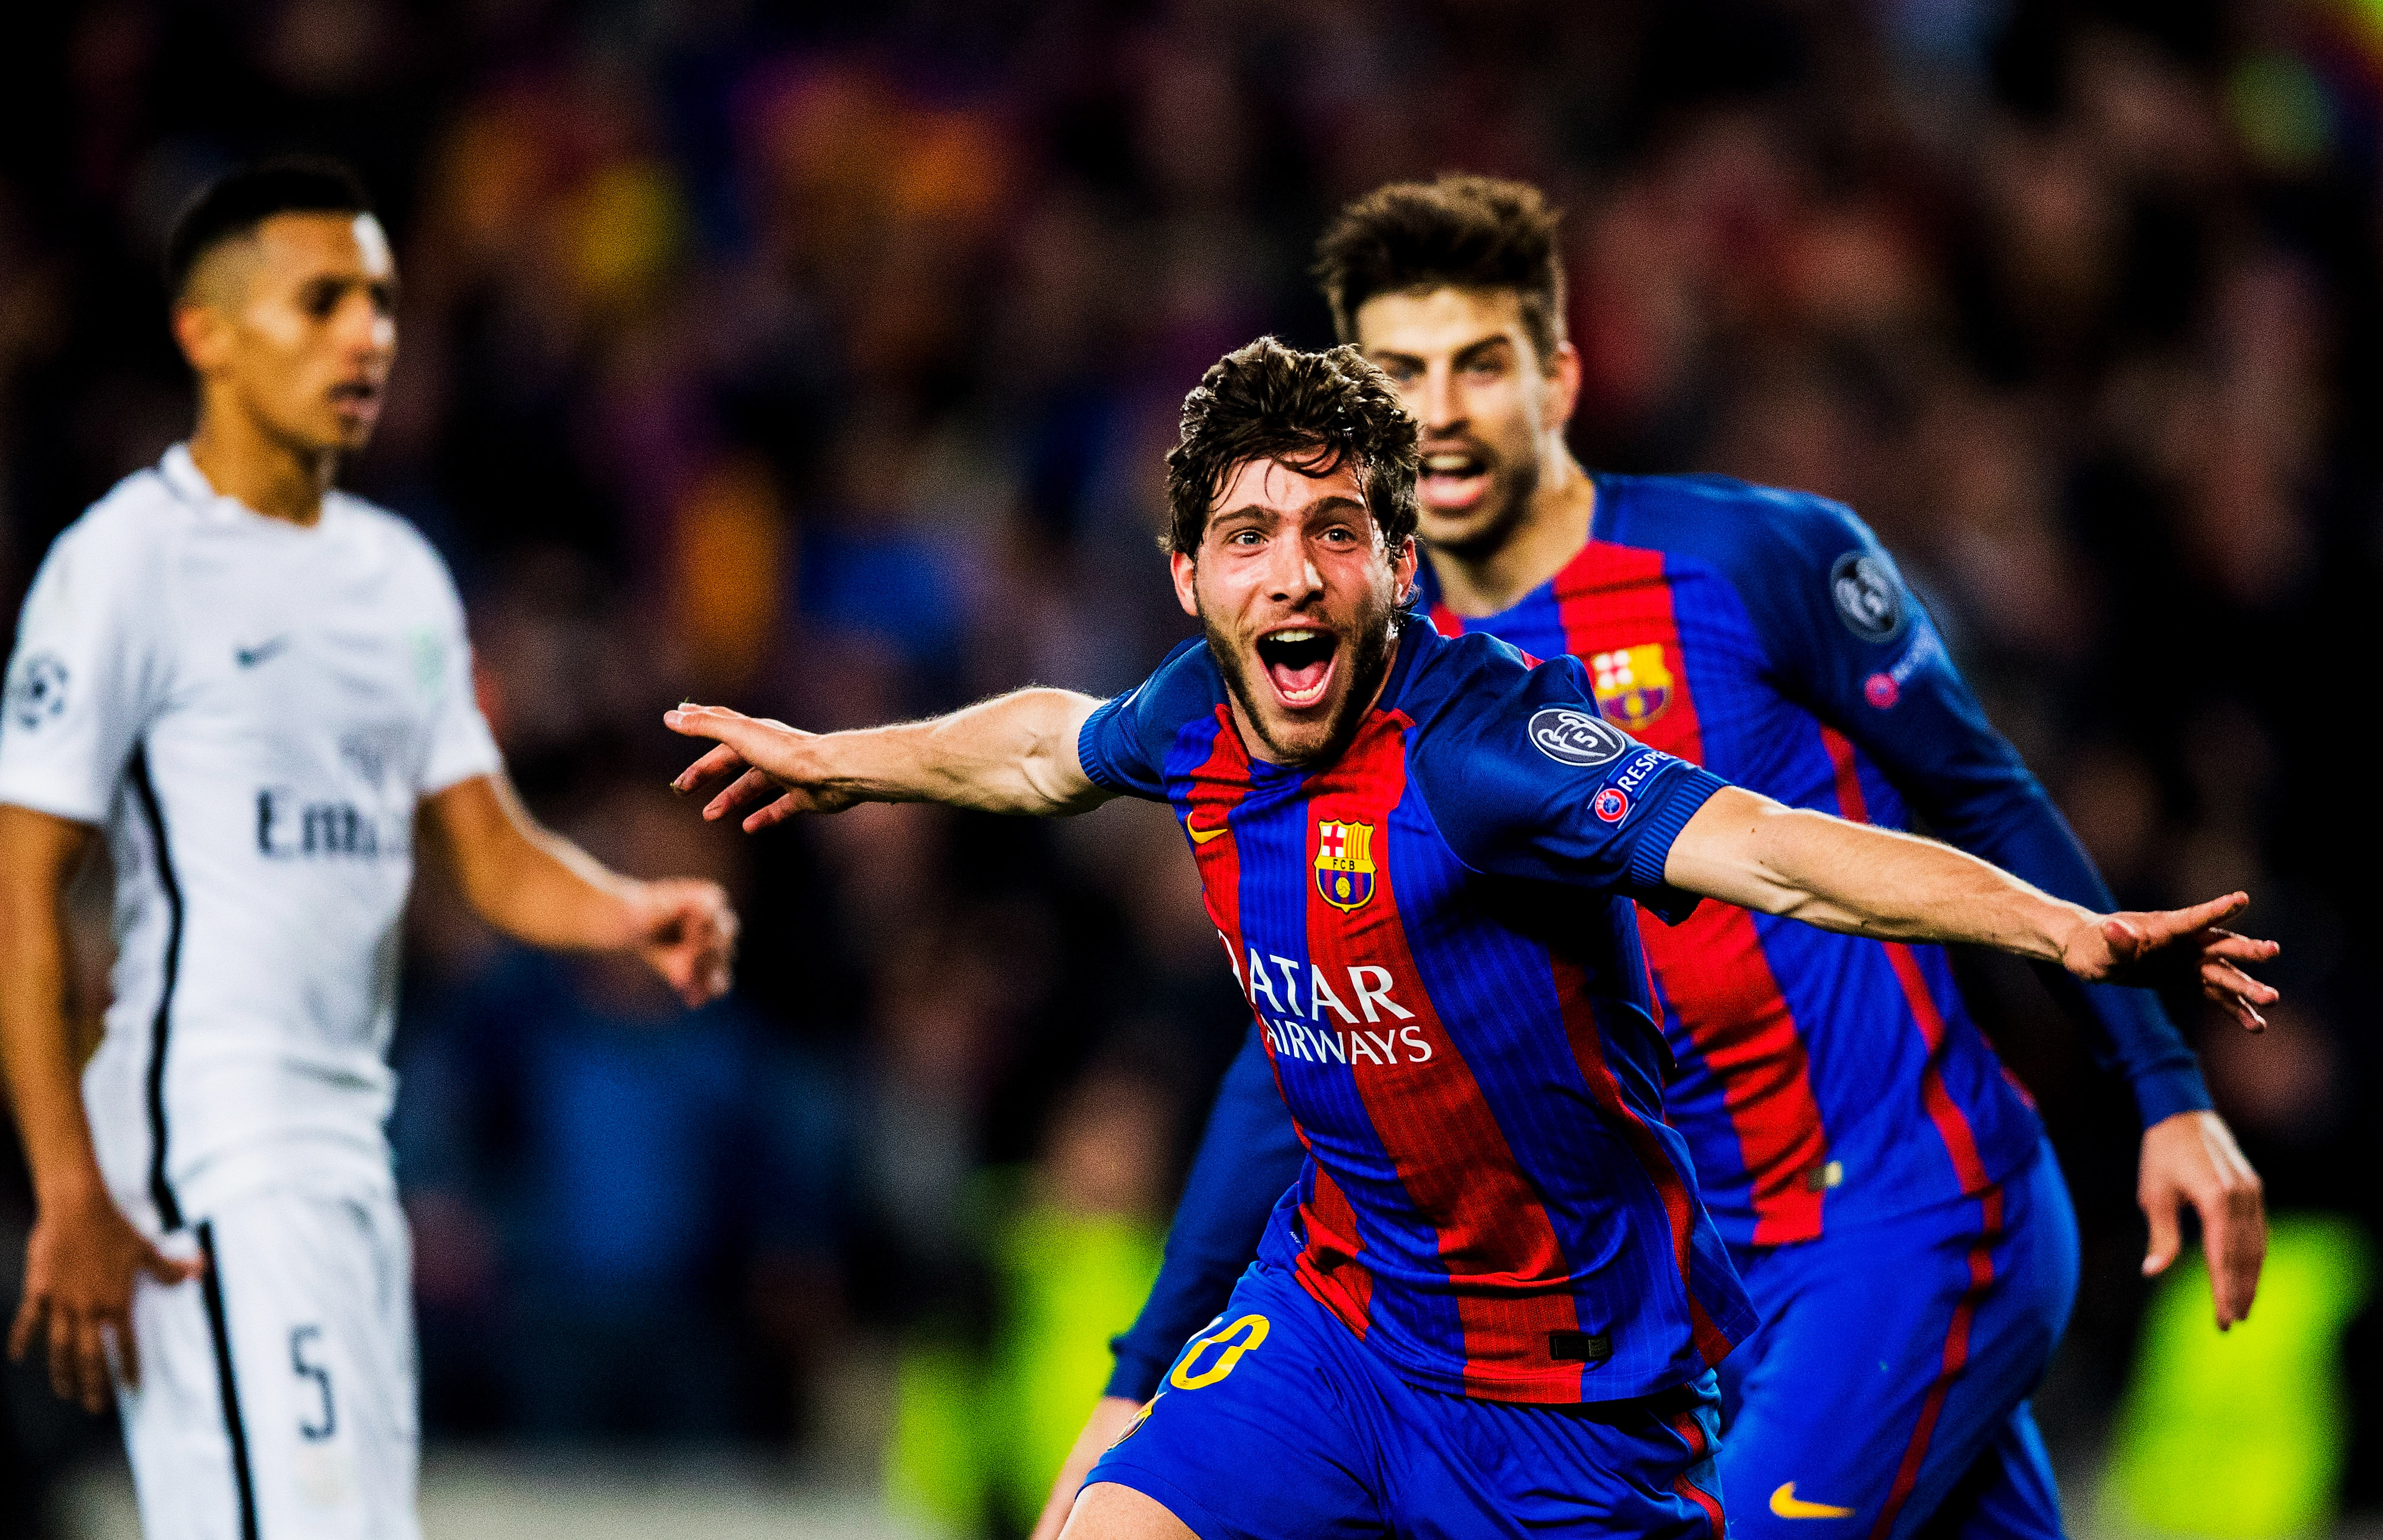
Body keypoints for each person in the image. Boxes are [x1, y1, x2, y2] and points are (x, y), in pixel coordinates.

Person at [666, 335, 2275, 1540]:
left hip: (1574, 1401)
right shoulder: (1194, 712)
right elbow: (1038, 744)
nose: (1291, 572)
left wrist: (2063, 933)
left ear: (1395, 561)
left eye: (1334, 531)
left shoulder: (1489, 750)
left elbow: (1775, 851)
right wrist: (842, 761)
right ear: (1186, 575)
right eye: (1248, 536)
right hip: (1339, 1329)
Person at [0, 159, 737, 1540]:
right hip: (206, 1140)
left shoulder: (398, 577)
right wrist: (67, 1180)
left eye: (379, 303)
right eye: (320, 302)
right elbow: (11, 884)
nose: (366, 336)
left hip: (341, 1146)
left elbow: (489, 852)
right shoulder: (126, 562)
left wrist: (630, 910)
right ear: (205, 332)